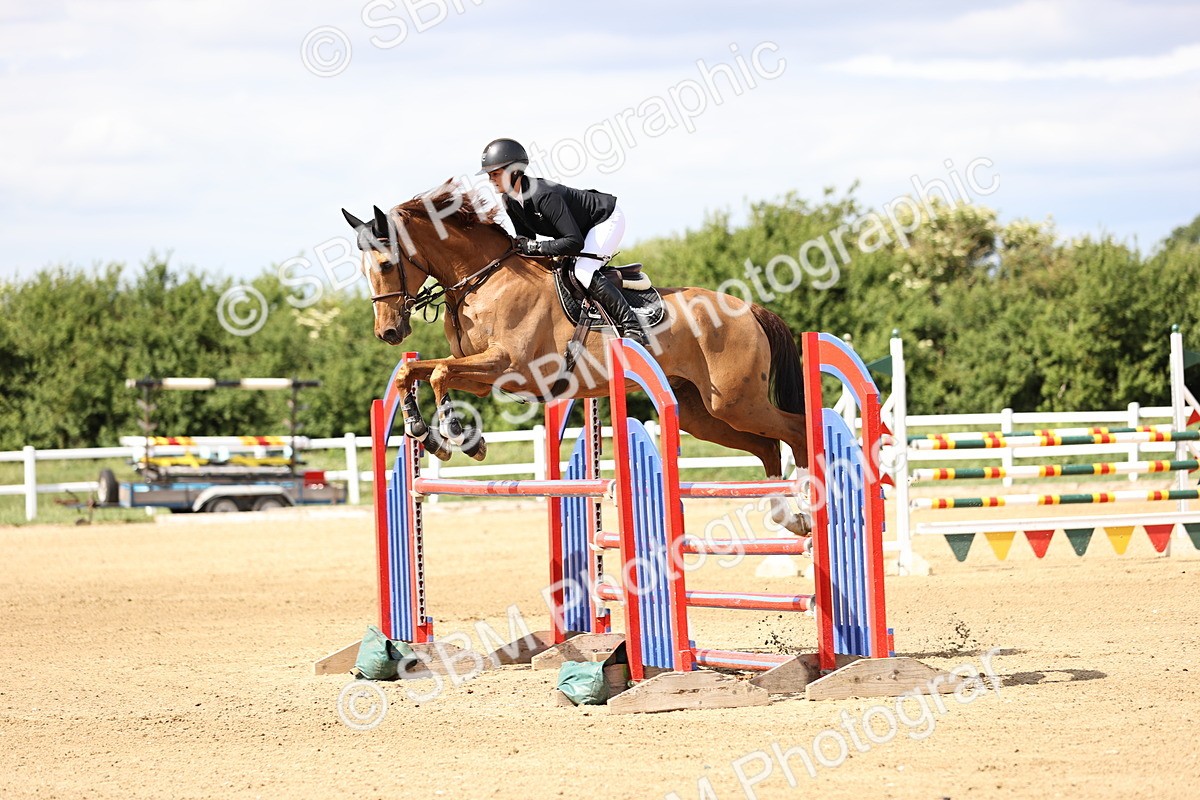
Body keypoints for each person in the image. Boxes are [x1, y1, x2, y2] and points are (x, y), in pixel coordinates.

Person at [477, 138, 648, 346]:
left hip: (605, 220)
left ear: (514, 171)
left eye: (495, 174)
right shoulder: (509, 199)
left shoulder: (544, 195)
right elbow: (526, 240)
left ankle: (633, 327)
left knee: (583, 270)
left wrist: (537, 247)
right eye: (489, 175)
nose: (491, 180)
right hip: (579, 230)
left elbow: (574, 242)